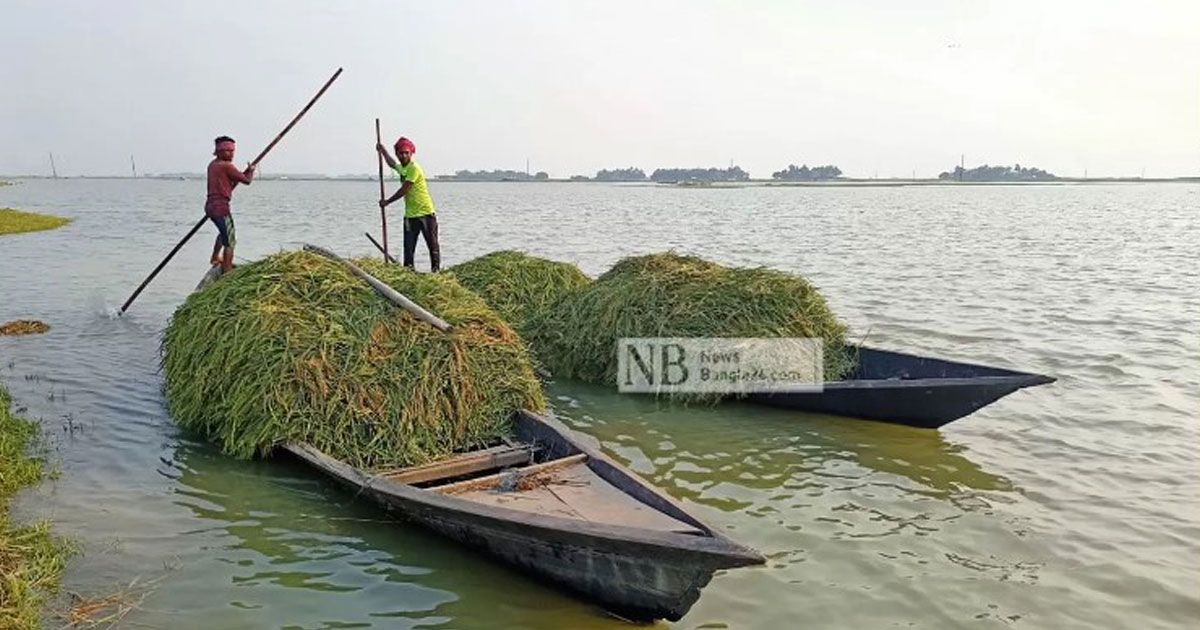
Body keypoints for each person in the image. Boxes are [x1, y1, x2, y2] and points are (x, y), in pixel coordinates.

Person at [377, 136, 439, 271]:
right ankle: (409, 272)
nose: (404, 155)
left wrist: (387, 202)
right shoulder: (403, 169)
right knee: (408, 246)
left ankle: (436, 272)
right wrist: (382, 151)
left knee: (432, 245)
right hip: (410, 215)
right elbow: (392, 164)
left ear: (411, 153)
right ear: (398, 154)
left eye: (407, 153)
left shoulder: (414, 168)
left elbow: (404, 189)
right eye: (401, 153)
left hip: (426, 213)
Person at [205, 136, 255, 273]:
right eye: (227, 151)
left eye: (232, 151)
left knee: (224, 233)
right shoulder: (226, 166)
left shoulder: (213, 165)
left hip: (210, 206)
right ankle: (227, 272)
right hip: (220, 208)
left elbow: (235, 177)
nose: (231, 154)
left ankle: (215, 257)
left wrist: (245, 172)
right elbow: (246, 180)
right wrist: (251, 171)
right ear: (219, 152)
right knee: (230, 241)